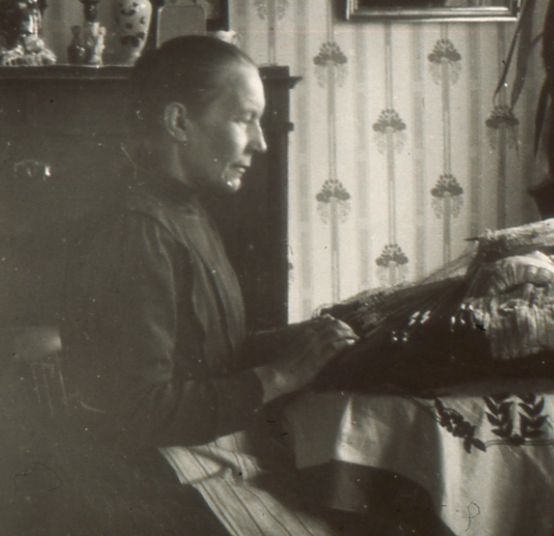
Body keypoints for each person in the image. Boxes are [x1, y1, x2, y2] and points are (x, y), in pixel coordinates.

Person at [58, 36, 358, 535]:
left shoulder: (185, 210)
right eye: (245, 119)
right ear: (178, 123)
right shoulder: (138, 232)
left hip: (204, 450)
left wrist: (305, 342)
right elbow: (141, 410)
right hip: (152, 479)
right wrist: (279, 377)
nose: (260, 142)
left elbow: (212, 352)